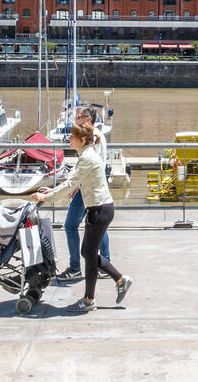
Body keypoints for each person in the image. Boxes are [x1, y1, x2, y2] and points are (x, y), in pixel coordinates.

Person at [31, 120, 130, 312]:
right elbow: (73, 180)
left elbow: (70, 185)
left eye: (72, 137)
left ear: (82, 140)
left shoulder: (87, 158)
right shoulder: (86, 155)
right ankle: (119, 279)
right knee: (87, 253)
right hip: (99, 208)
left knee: (90, 256)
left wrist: (46, 196)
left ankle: (89, 300)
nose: (69, 139)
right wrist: (51, 189)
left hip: (99, 210)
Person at [54, 105, 110, 283]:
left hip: (87, 190)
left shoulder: (95, 138)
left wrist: (75, 186)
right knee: (97, 228)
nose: (75, 120)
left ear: (88, 119)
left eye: (78, 117)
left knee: (71, 225)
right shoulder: (95, 136)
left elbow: (92, 166)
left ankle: (75, 267)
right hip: (92, 190)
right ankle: (105, 264)